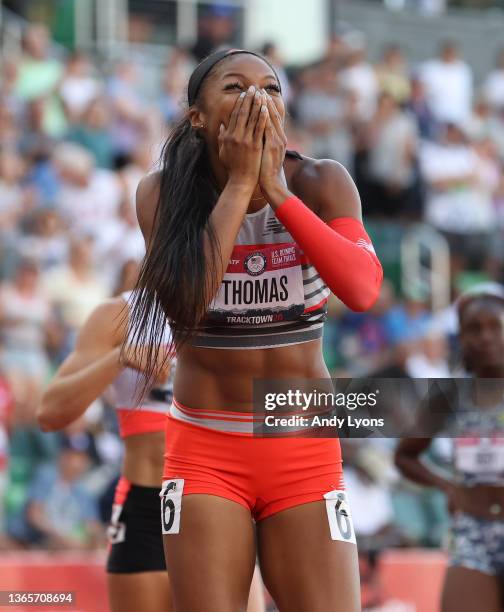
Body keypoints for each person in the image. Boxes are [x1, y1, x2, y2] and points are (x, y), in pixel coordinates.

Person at [130, 48, 383, 611]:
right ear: (197, 116)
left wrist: (278, 193)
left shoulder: (321, 181)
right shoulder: (160, 193)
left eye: (271, 89)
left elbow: (363, 290)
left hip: (301, 446)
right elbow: (189, 304)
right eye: (235, 87)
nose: (256, 99)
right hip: (205, 447)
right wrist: (241, 184)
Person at [37, 291, 174, 612]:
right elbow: (49, 412)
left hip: (218, 502)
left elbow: (289, 392)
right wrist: (120, 357)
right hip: (146, 506)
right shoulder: (119, 314)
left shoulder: (240, 307)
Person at [395, 283, 504, 612]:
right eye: (474, 329)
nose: (485, 337)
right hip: (472, 530)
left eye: (495, 327)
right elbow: (404, 456)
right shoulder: (450, 394)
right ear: (462, 340)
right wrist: (448, 487)